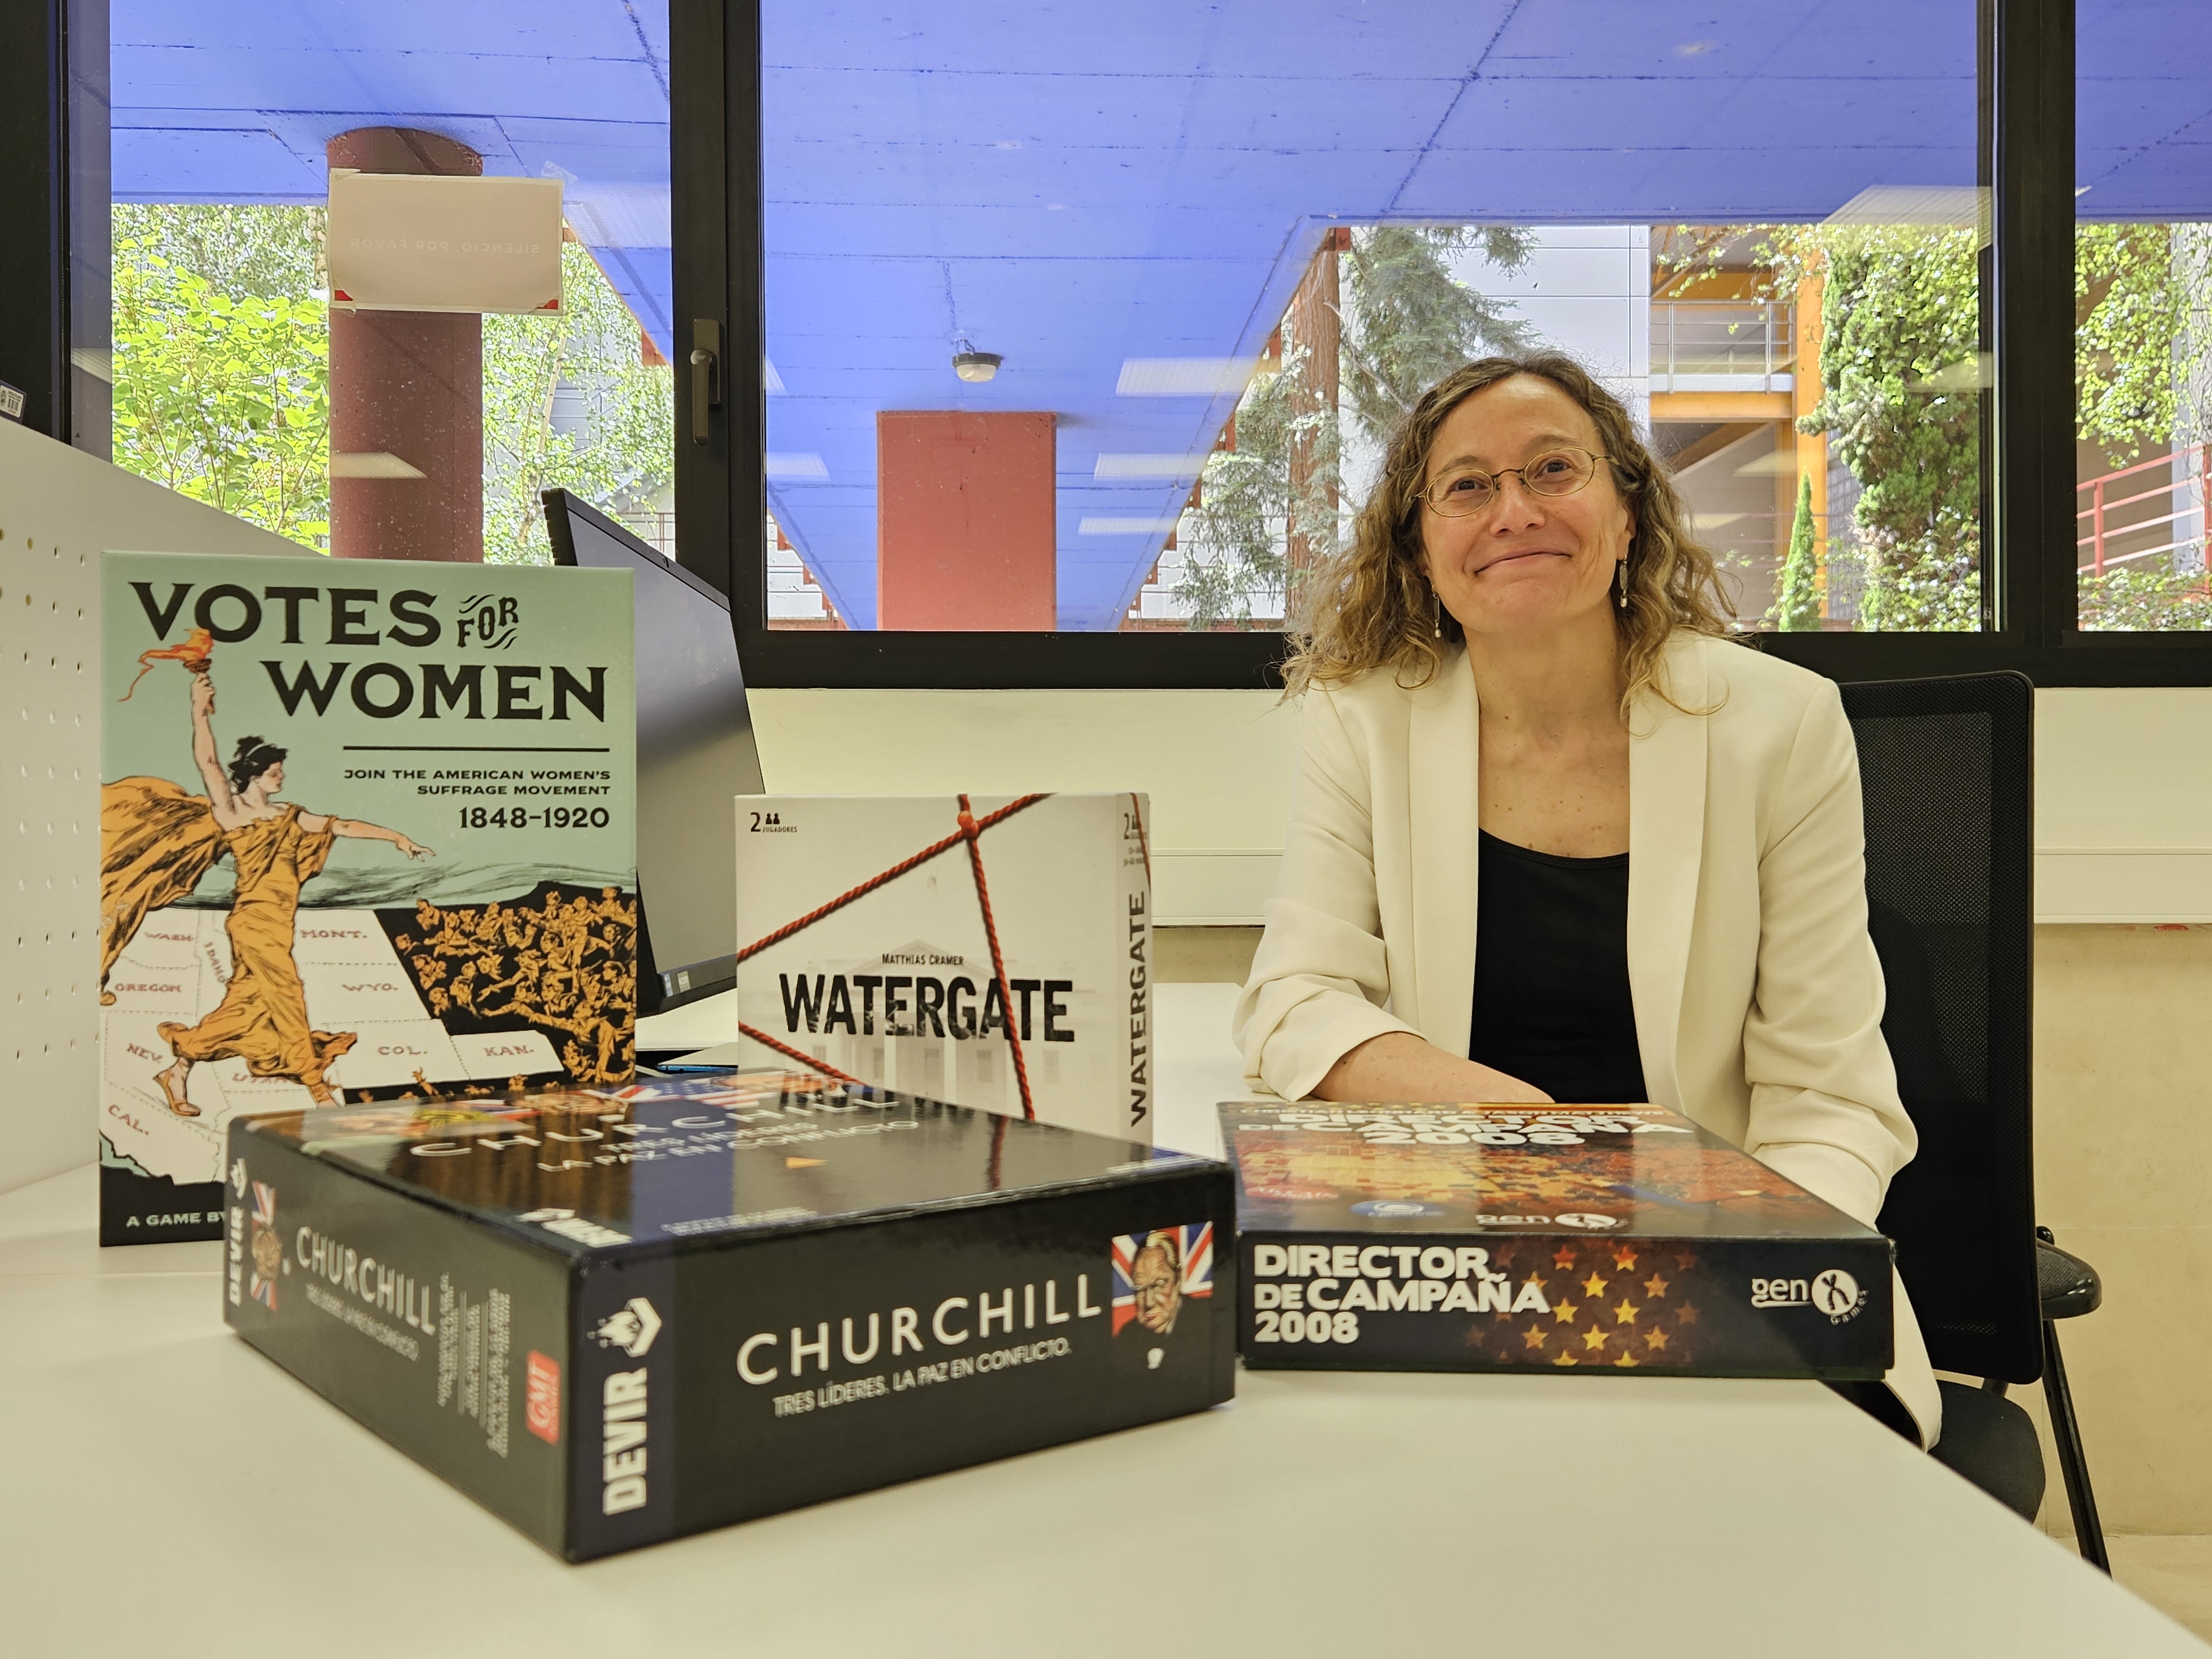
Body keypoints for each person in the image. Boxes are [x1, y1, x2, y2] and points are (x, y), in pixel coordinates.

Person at [1233, 351, 1939, 1447]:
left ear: (1625, 515)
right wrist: (1528, 1135)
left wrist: (1749, 1273)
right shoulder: (1361, 721)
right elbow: (1295, 1001)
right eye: (1467, 485)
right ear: (1420, 550)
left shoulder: (1779, 727)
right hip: (1450, 1258)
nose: (1513, 511)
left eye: (1552, 470)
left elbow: (1828, 1095)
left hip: (1724, 1250)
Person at [137, 669, 434, 1114]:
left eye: (281, 771)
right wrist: (199, 710)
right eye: (275, 772)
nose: (282, 777)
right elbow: (209, 764)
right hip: (252, 923)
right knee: (288, 995)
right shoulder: (233, 813)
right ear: (254, 775)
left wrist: (396, 837)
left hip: (280, 923)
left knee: (244, 1009)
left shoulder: (291, 816)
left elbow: (342, 825)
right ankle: (317, 1088)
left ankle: (177, 1070)